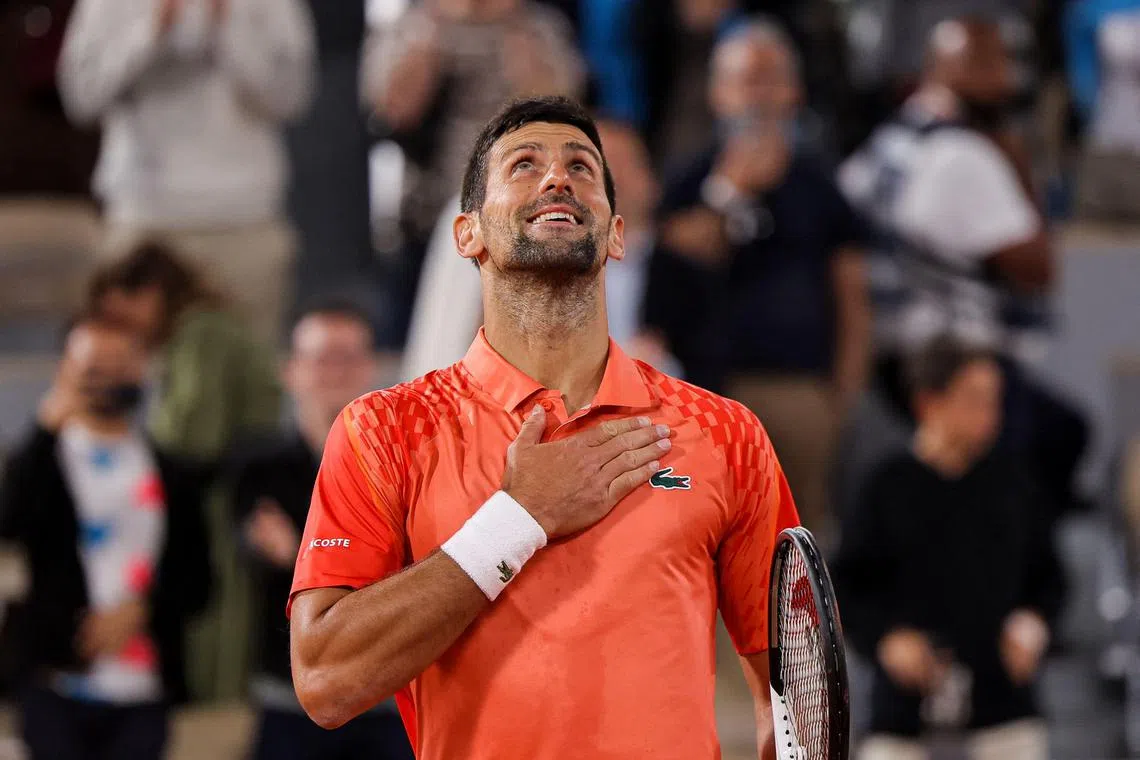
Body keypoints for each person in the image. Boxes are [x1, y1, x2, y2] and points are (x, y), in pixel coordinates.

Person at [288, 96, 800, 760]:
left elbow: (792, 698)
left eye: (581, 167)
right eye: (524, 164)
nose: (558, 177)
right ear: (467, 234)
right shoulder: (384, 429)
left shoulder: (726, 433)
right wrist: (518, 519)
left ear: (616, 234)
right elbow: (326, 680)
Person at [840, 17, 1088, 523]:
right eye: (995, 64)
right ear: (959, 72)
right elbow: (1038, 267)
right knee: (1018, 477)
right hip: (956, 358)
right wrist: (1019, 164)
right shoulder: (964, 155)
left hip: (888, 358)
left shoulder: (885, 143)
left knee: (1060, 429)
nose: (1009, 80)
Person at [645, 19, 871, 542]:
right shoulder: (688, 179)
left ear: (795, 91)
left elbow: (851, 295)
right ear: (717, 93)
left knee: (800, 540)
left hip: (800, 391)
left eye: (772, 79)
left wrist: (843, 396)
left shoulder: (821, 184)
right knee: (712, 538)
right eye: (747, 80)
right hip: (708, 393)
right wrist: (730, 191)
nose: (759, 95)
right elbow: (676, 263)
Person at [832, 337, 1064, 760]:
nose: (990, 416)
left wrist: (1032, 624)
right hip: (904, 714)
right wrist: (886, 638)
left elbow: (1049, 578)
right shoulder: (887, 486)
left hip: (1002, 708)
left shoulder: (1014, 484)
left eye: (995, 401)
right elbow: (848, 586)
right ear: (929, 403)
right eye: (974, 400)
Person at [0, 315, 211, 760]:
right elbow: (9, 524)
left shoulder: (171, 472)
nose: (109, 379)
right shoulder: (40, 462)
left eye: (121, 365)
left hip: (144, 689)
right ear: (67, 370)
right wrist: (43, 432)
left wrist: (143, 610)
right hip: (54, 682)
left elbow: (199, 580)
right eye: (95, 368)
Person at [88, 241, 281, 700]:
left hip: (222, 503)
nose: (126, 330)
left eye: (124, 314)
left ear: (151, 293)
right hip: (222, 495)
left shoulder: (201, 333)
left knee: (215, 631)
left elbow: (193, 436)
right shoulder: (200, 332)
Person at [57, 0, 316, 341]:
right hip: (143, 214)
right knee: (127, 364)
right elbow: (81, 97)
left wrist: (224, 25)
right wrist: (152, 29)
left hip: (244, 216)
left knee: (247, 361)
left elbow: (291, 97)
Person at [234, 301, 412, 760]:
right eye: (322, 359)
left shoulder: (405, 465)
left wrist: (300, 553)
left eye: (348, 358)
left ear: (370, 367)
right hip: (290, 697)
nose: (336, 372)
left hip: (386, 699)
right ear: (291, 370)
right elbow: (251, 554)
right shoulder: (257, 468)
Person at [360, 0, 584, 348]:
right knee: (418, 346)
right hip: (425, 217)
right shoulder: (413, 25)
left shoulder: (538, 27)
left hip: (516, 224)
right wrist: (430, 40)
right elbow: (393, 110)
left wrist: (520, 46)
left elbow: (560, 114)